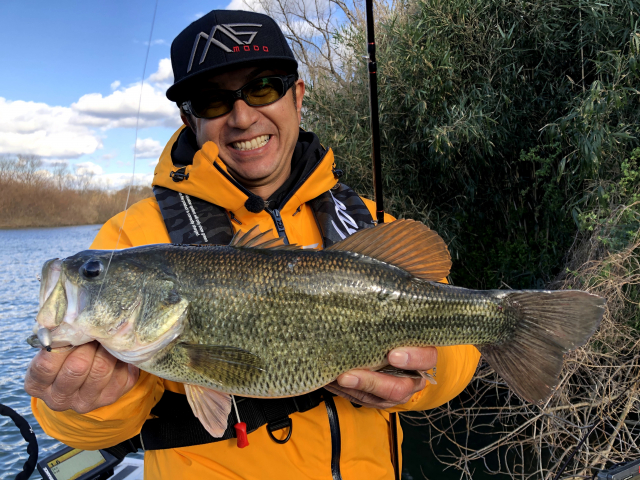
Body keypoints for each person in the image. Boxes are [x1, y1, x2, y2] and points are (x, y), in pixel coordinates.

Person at [25, 9, 481, 479]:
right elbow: (72, 425)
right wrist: (87, 403)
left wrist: (422, 379)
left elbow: (460, 349)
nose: (242, 117)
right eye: (212, 101)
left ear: (297, 96)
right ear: (189, 118)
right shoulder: (133, 237)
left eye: (263, 87)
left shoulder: (366, 219)